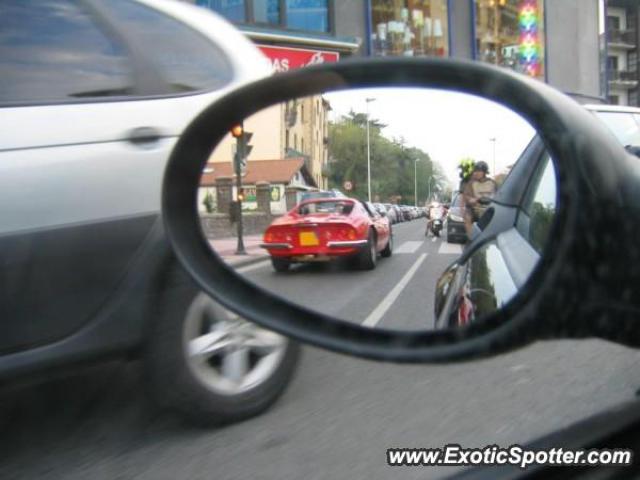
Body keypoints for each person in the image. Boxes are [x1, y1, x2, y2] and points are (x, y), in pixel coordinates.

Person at [463, 161, 497, 237]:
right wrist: (472, 200)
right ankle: (471, 237)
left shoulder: (492, 183)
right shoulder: (471, 184)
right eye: (476, 171)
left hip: (488, 210)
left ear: (484, 172)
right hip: (476, 209)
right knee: (467, 216)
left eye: (479, 171)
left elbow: (498, 196)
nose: (477, 173)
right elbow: (467, 196)